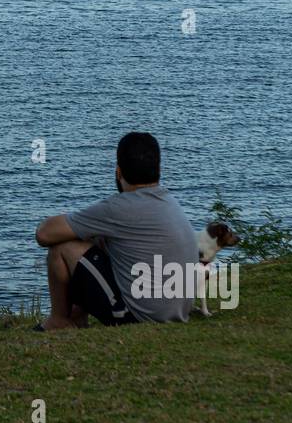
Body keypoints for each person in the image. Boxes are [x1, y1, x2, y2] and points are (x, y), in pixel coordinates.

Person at [34, 132, 198, 330]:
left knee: (62, 247)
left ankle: (58, 321)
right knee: (101, 240)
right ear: (159, 169)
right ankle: (77, 319)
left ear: (119, 172)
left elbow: (44, 234)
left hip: (140, 318)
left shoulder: (118, 208)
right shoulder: (169, 202)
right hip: (176, 311)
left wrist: (82, 227)